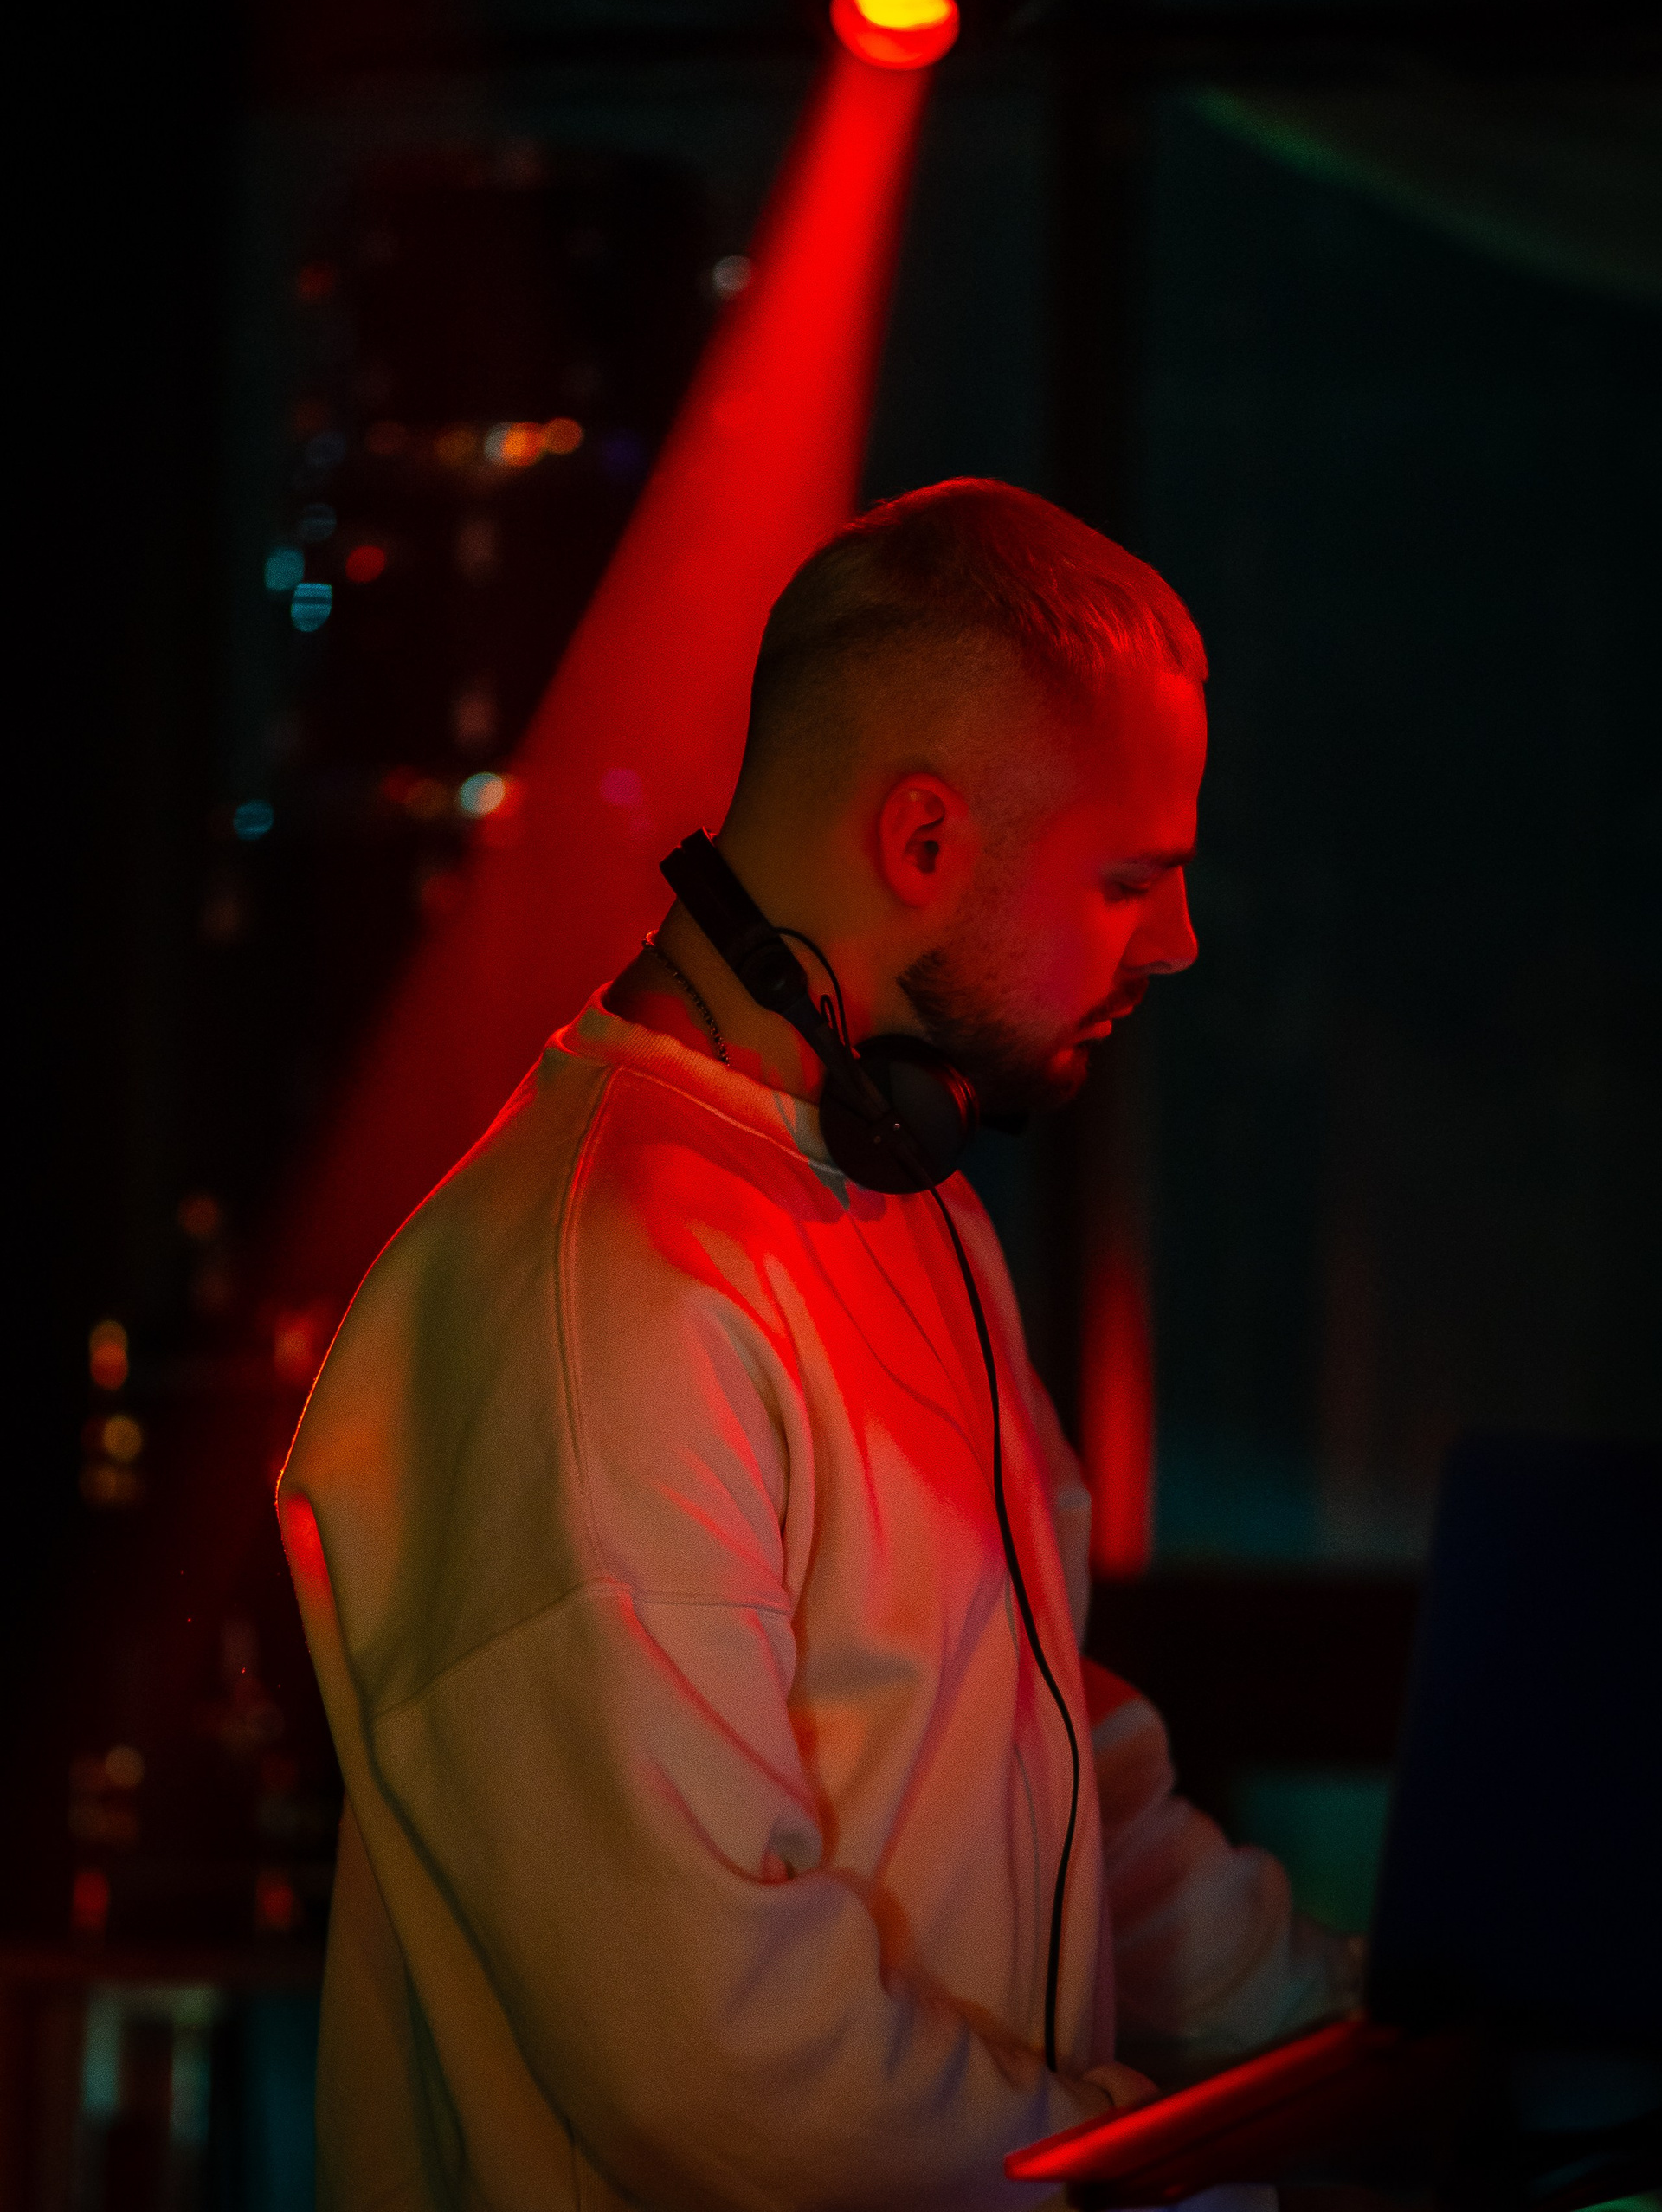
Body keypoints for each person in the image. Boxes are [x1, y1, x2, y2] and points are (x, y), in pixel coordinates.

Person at [278, 480, 1359, 2212]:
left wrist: (1363, 2039)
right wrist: (1159, 2192)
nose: (1174, 943)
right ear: (924, 844)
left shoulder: (900, 1201)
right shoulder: (602, 1290)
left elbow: (1055, 1773)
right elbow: (718, 2061)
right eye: (1128, 880)